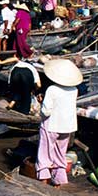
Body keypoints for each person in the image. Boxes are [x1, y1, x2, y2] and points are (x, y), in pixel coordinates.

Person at [36, 59, 83, 187]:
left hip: (52, 125)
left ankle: (43, 183)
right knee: (60, 154)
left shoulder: (52, 89)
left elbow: (46, 111)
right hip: (67, 126)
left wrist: (41, 103)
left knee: (44, 154)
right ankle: (59, 183)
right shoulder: (74, 90)